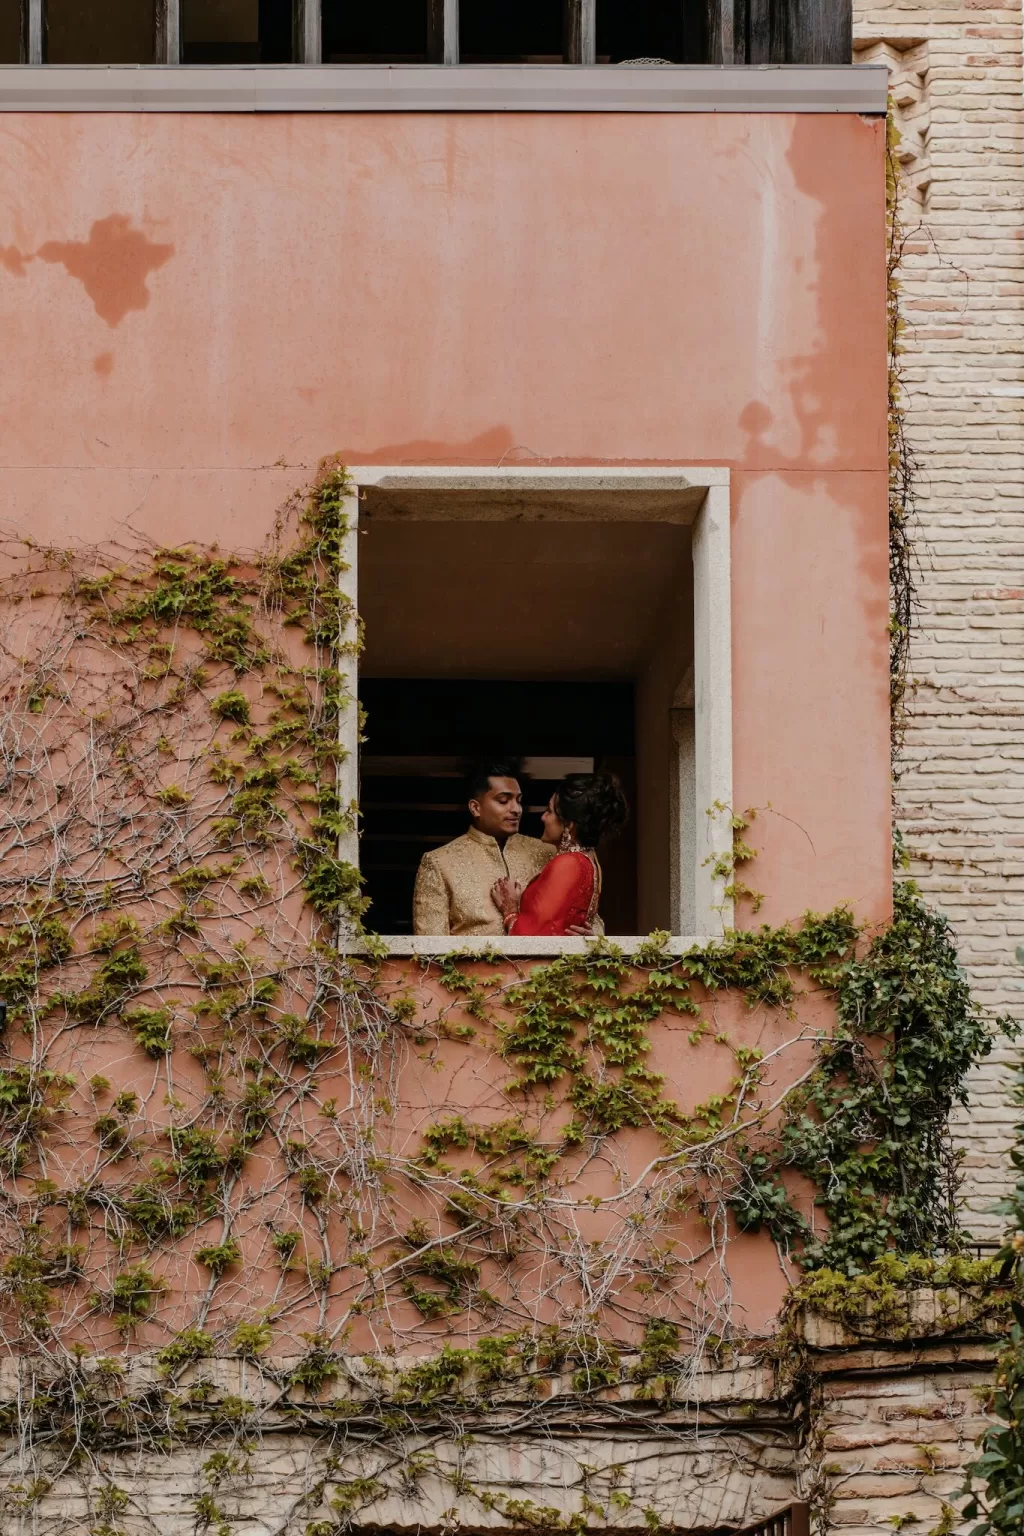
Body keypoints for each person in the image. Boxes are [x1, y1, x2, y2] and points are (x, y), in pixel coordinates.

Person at [412, 759, 555, 937]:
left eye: (519, 800)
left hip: (543, 965)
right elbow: (429, 950)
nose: (516, 809)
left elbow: (582, 917)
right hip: (465, 965)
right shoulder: (440, 862)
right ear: (475, 808)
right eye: (503, 801)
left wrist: (590, 936)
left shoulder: (546, 853)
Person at [491, 772, 628, 937]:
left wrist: (510, 910)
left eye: (549, 811)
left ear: (568, 825)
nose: (543, 817)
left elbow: (531, 938)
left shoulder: (569, 864)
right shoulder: (585, 860)